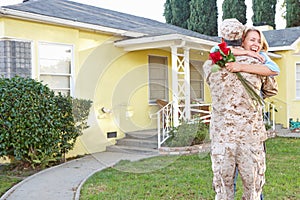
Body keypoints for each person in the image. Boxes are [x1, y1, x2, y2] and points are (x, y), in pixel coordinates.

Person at [203, 19, 279, 200]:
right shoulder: (259, 65)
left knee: (223, 189)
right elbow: (271, 89)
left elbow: (215, 56)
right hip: (250, 137)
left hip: (223, 137)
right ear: (243, 38)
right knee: (253, 189)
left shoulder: (210, 65)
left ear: (222, 37)